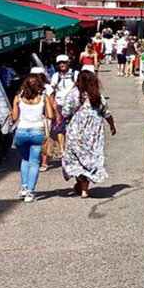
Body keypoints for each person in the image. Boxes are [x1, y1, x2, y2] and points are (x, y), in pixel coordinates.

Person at [62, 70, 116, 198]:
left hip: (76, 131)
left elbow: (65, 113)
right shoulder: (97, 96)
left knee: (76, 159)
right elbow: (107, 113)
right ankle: (84, 189)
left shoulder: (73, 95)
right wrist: (112, 125)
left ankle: (82, 187)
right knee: (90, 158)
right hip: (93, 134)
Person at [11, 70, 56, 203]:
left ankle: (24, 187)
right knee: (35, 162)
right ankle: (30, 192)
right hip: (37, 131)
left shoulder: (18, 97)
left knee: (24, 160)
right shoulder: (43, 97)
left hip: (21, 131)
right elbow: (50, 115)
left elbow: (14, 118)